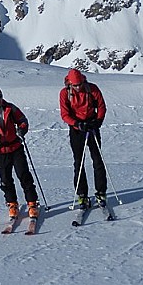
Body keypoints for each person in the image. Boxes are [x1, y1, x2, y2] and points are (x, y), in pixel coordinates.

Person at [0, 86, 39, 219]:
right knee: (5, 180)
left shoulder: (10, 108)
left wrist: (22, 130)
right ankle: (12, 204)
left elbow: (23, 120)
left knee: (24, 176)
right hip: (0, 151)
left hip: (15, 147)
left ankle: (32, 203)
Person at [59, 68, 107, 209]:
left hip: (92, 126)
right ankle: (82, 194)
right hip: (77, 129)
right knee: (79, 162)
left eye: (79, 84)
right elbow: (65, 114)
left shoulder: (92, 89)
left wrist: (97, 121)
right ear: (70, 84)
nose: (78, 87)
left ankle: (101, 192)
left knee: (98, 160)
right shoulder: (65, 93)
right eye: (75, 85)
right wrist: (77, 124)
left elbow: (101, 106)